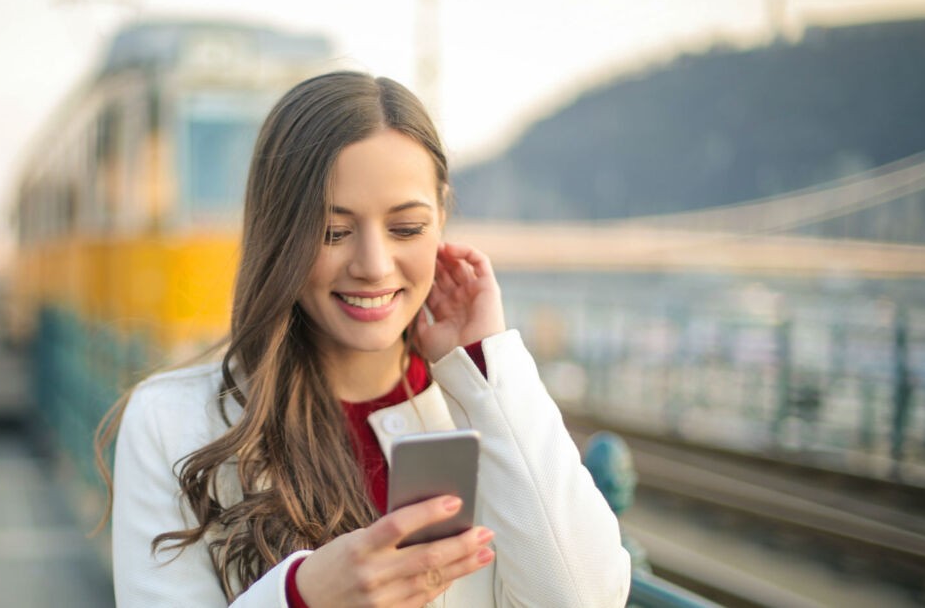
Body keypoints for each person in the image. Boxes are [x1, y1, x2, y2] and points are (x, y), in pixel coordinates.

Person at [98, 71, 631, 607]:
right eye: (333, 232)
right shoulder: (172, 421)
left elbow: (585, 597)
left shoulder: (487, 406)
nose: (374, 266)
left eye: (406, 229)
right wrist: (301, 596)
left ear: (441, 217)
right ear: (277, 232)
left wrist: (487, 364)